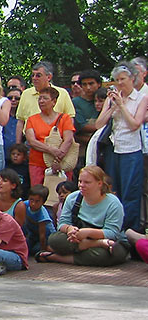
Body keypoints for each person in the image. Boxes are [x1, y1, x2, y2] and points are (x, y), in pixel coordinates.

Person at [36, 165, 128, 266]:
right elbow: (62, 223)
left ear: (99, 183)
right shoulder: (72, 198)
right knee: (55, 239)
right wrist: (69, 229)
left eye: (87, 182)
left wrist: (87, 232)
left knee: (102, 255)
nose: (81, 185)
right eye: (80, 181)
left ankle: (57, 257)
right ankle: (97, 244)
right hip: (82, 238)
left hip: (108, 241)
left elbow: (112, 233)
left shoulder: (113, 203)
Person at [93, 62, 148, 231]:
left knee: (130, 191)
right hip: (113, 149)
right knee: (112, 189)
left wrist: (122, 106)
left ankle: (129, 231)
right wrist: (112, 107)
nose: (119, 83)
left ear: (132, 78)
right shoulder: (112, 98)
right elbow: (98, 124)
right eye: (116, 80)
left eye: (122, 79)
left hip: (132, 150)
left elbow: (134, 124)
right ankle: (113, 228)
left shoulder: (141, 98)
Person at [23, 87, 75, 185]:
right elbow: (31, 141)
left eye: (45, 98)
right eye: (40, 98)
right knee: (38, 192)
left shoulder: (65, 118)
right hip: (37, 163)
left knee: (61, 193)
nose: (41, 101)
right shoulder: (32, 119)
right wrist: (51, 150)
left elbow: (68, 139)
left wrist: (57, 159)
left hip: (62, 163)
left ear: (54, 101)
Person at [15, 61, 75, 144]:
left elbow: (70, 118)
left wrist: (66, 141)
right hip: (31, 141)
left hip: (57, 140)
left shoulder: (62, 93)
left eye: (38, 75)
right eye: (33, 75)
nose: (34, 78)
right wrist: (18, 144)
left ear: (49, 77)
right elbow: (20, 121)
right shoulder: (26, 94)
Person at [24, 184, 55, 254]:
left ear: (43, 202)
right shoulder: (24, 204)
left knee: (35, 250)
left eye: (37, 201)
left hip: (47, 237)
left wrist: (42, 251)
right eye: (31, 200)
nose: (33, 203)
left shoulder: (43, 215)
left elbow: (42, 236)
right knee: (24, 247)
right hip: (33, 234)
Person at [2, 86, 22, 160]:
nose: (13, 100)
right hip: (3, 154)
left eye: (17, 98)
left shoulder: (25, 118)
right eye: (10, 98)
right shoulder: (1, 115)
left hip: (20, 157)